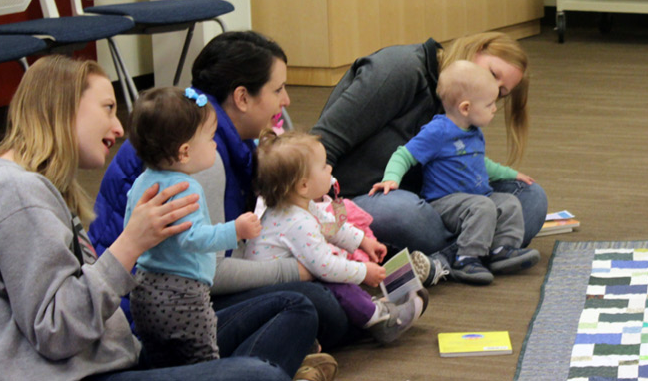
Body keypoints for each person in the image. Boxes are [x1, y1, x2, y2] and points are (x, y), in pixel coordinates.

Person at [0, 55, 318, 380]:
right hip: (84, 373)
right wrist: (131, 244)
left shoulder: (35, 186)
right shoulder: (16, 193)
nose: (119, 127)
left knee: (295, 307)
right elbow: (57, 331)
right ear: (64, 108)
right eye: (108, 108)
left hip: (120, 355)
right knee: (260, 375)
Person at [91, 31, 357, 352]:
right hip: (155, 312)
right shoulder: (203, 158)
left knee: (321, 285)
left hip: (160, 292)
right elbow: (210, 268)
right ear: (242, 97)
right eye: (278, 89)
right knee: (316, 305)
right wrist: (296, 269)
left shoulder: (202, 130)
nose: (286, 100)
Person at [312, 32, 548, 272]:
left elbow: (468, 161)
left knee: (531, 197)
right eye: (493, 74)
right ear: (477, 49)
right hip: (367, 196)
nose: (494, 92)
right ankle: (470, 253)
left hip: (437, 199)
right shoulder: (400, 68)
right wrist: (323, 215)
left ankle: (455, 257)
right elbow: (322, 142)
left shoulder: (464, 106)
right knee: (406, 213)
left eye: (502, 92)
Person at [242, 131, 429, 343]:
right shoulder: (296, 222)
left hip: (283, 286)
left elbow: (331, 227)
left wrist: (363, 241)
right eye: (323, 166)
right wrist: (363, 272)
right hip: (276, 294)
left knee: (339, 277)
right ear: (303, 185)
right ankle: (380, 320)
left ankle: (371, 310)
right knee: (337, 282)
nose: (330, 169)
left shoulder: (301, 207)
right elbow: (326, 266)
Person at [123, 87, 263, 367]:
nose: (214, 145)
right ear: (185, 152)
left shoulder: (141, 183)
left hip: (144, 291)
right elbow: (193, 238)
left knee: (160, 364)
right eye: (211, 139)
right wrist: (234, 230)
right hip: (183, 294)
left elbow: (131, 231)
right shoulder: (187, 188)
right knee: (204, 365)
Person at [370, 61, 540, 285]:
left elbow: (480, 163)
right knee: (484, 207)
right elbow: (404, 155)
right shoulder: (438, 131)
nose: (495, 108)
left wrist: (511, 174)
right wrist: (391, 178)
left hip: (475, 199)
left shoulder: (473, 131)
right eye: (489, 104)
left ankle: (500, 250)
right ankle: (465, 259)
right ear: (465, 108)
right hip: (445, 202)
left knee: (508, 202)